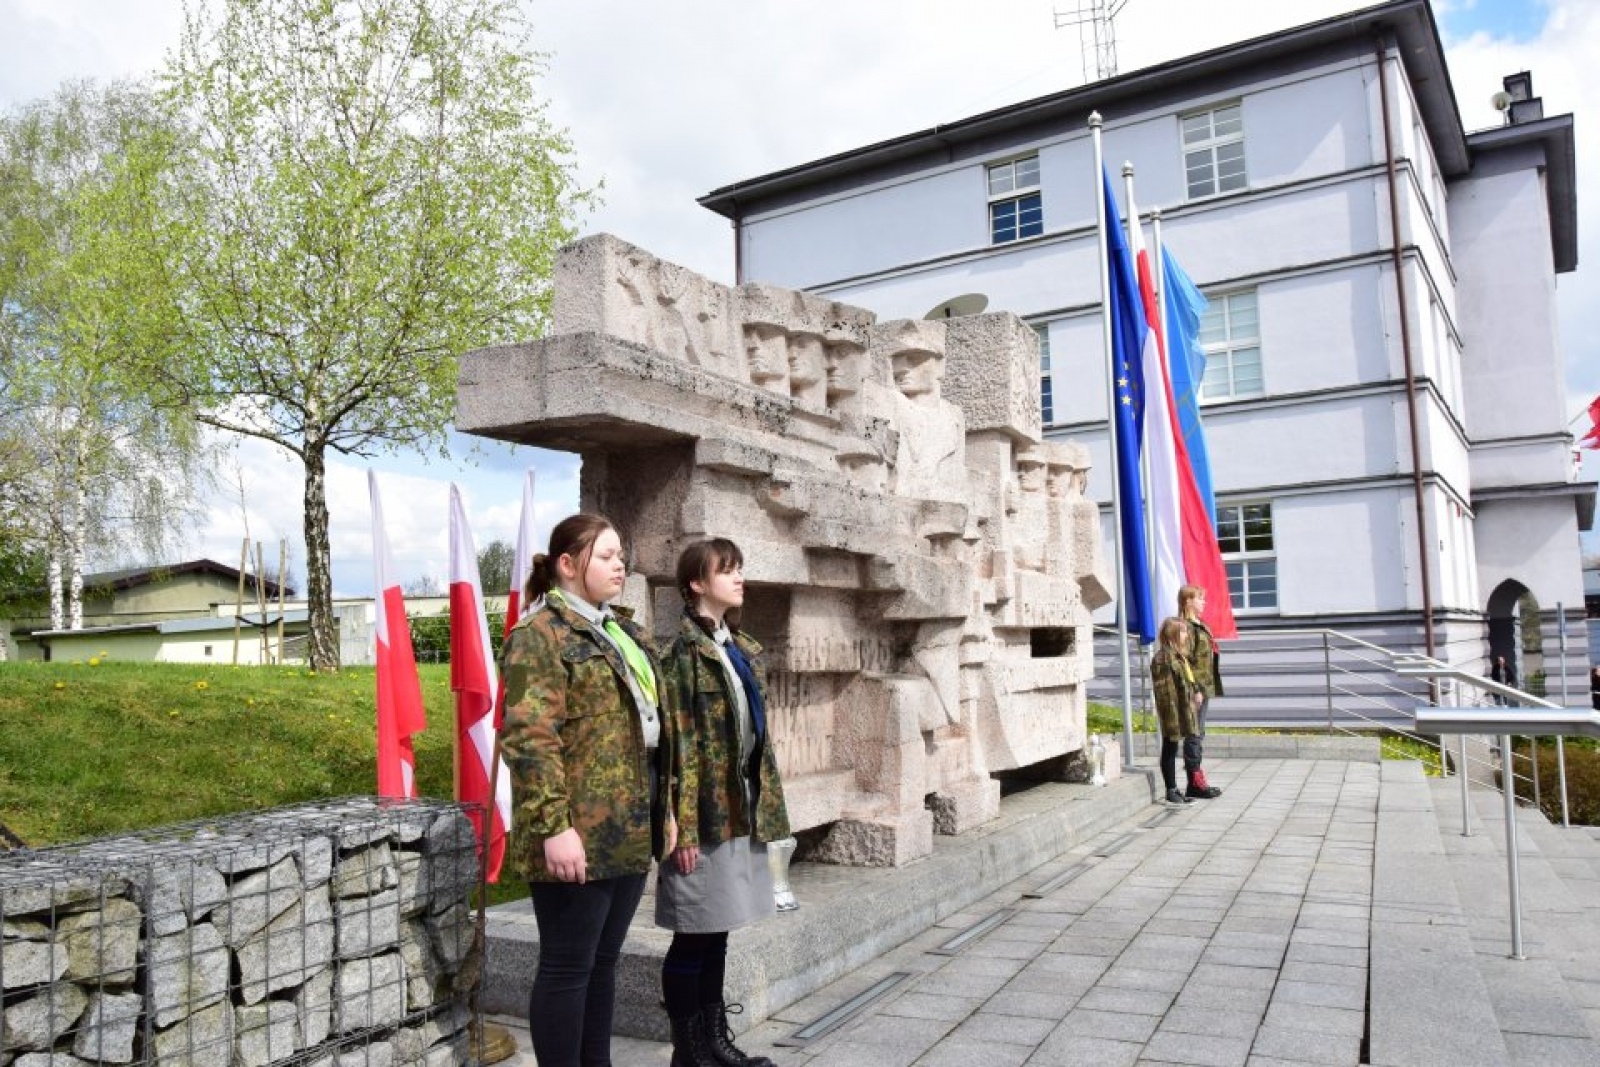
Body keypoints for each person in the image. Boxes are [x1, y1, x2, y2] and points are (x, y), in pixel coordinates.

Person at [499, 514, 674, 1067]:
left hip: (629, 823)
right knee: (568, 966)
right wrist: (553, 826)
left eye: (621, 554)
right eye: (605, 555)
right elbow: (529, 737)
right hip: (577, 829)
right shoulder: (539, 635)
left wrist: (662, 810)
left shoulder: (622, 631)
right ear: (568, 566)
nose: (619, 564)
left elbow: (649, 727)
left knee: (603, 962)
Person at [656, 539, 789, 1067]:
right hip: (702, 817)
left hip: (737, 808)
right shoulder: (681, 656)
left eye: (739, 568)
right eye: (726, 570)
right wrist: (681, 828)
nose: (738, 577)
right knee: (693, 937)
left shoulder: (736, 648)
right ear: (696, 584)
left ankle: (714, 1042)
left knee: (717, 933)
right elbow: (676, 748)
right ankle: (688, 1051)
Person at [1150, 616, 1217, 804]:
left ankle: (1175, 789)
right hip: (1172, 711)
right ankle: (1171, 789)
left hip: (1182, 709)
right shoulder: (1164, 658)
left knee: (1173, 747)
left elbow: (1186, 682)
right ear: (1172, 634)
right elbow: (1166, 692)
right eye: (1183, 631)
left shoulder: (1179, 656)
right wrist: (1175, 716)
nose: (1186, 635)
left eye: (1186, 631)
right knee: (1169, 747)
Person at [1178, 585, 1223, 799]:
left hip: (1204, 687)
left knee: (1198, 733)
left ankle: (1197, 780)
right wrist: (1194, 688)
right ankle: (1195, 783)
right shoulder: (1185, 627)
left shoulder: (1200, 625)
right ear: (1188, 601)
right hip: (1194, 689)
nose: (1203, 603)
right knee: (1194, 734)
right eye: (1199, 599)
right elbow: (1185, 660)